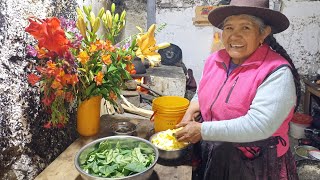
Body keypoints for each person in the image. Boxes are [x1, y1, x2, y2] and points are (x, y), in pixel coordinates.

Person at [174, 0, 301, 179]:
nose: (234, 36)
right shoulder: (215, 60)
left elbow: (259, 125)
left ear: (263, 33)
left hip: (257, 163)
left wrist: (202, 130)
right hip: (217, 154)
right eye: (229, 28)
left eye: (245, 28)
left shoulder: (277, 72)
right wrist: (191, 110)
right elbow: (201, 91)